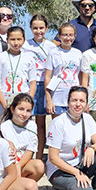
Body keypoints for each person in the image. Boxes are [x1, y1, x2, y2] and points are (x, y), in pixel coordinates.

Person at [46, 86, 96, 190]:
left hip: (79, 164)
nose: (78, 104)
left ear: (86, 103)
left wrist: (91, 148)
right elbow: (53, 158)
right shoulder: (59, 123)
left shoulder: (87, 119)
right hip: (60, 169)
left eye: (82, 101)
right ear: (68, 102)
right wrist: (77, 173)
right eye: (74, 100)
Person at [23, 14, 57, 158]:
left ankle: (39, 155)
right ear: (31, 28)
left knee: (41, 124)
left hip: (45, 85)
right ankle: (26, 155)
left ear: (46, 28)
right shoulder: (25, 45)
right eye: (35, 28)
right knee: (26, 121)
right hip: (30, 84)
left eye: (41, 28)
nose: (38, 31)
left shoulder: (51, 46)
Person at [0, 26, 37, 121]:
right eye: (12, 39)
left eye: (19, 39)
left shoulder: (29, 59)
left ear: (24, 40)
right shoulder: (0, 58)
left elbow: (33, 84)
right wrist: (5, 105)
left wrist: (28, 103)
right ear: (7, 40)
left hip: (22, 101)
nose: (16, 43)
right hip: (3, 101)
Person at [0, 93, 45, 182]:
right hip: (8, 164)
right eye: (21, 109)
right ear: (12, 109)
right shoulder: (4, 126)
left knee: (39, 166)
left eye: (28, 111)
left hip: (22, 163)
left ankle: (24, 188)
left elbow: (30, 151)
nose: (24, 114)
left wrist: (19, 166)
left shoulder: (32, 126)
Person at [44, 22, 82, 117]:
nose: (68, 38)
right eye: (65, 35)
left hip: (74, 100)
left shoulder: (78, 54)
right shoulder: (53, 53)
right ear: (59, 36)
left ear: (74, 36)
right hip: (57, 99)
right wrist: (49, 100)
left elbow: (81, 76)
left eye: (70, 35)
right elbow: (47, 77)